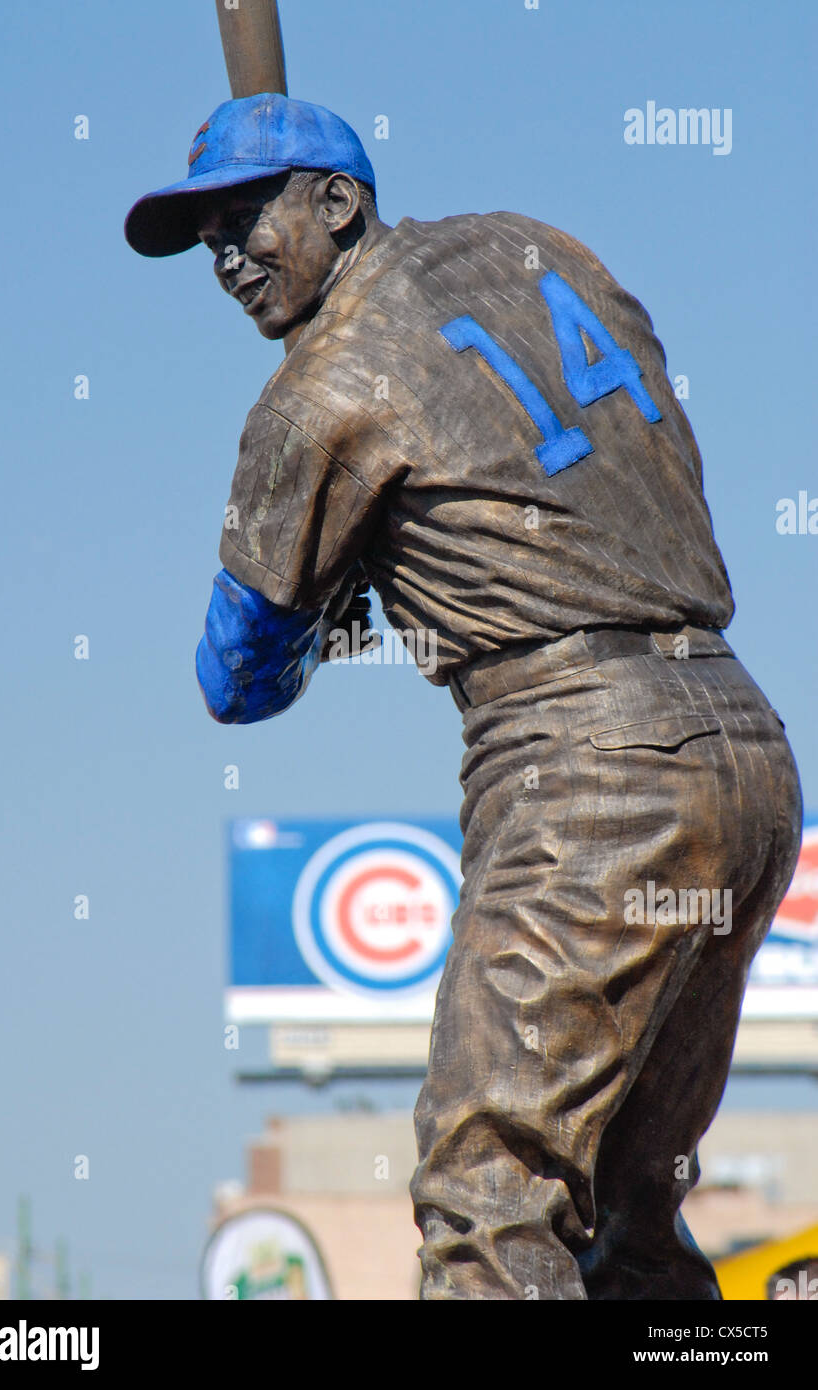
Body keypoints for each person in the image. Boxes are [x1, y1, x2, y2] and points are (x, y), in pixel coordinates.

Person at [125, 93, 803, 1300]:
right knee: (629, 1220)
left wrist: (328, 610)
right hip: (744, 750)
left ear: (339, 203)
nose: (227, 258)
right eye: (207, 240)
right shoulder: (535, 248)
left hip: (585, 766)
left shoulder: (318, 386)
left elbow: (233, 679)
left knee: (490, 1198)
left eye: (246, 219)